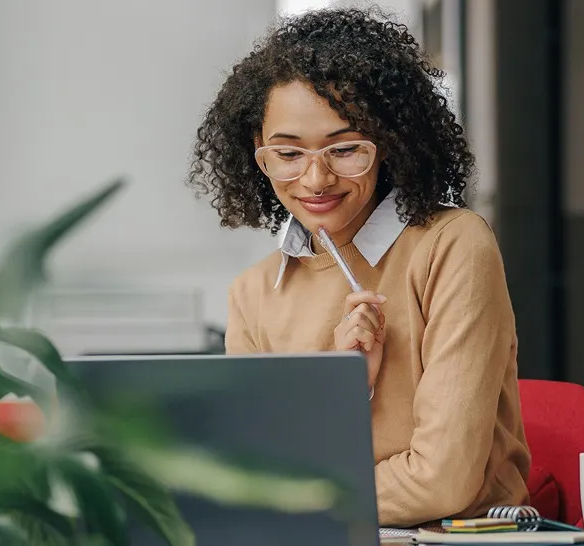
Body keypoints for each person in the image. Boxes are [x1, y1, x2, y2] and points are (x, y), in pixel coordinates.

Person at [187, 7, 531, 528]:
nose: (315, 179)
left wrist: (293, 495)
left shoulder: (452, 245)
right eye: (287, 153)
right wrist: (347, 389)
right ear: (258, 154)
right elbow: (256, 476)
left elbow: (443, 482)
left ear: (391, 144)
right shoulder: (254, 293)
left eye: (345, 149)